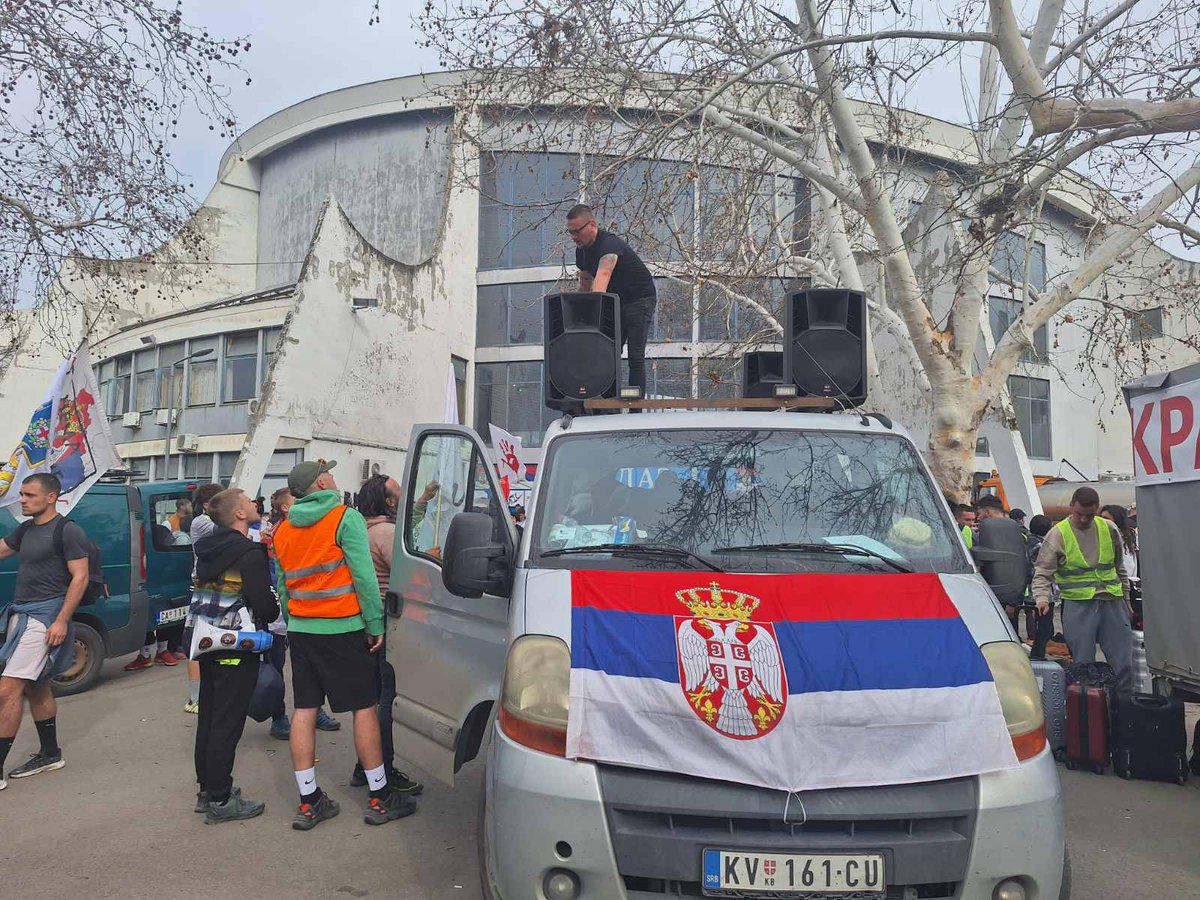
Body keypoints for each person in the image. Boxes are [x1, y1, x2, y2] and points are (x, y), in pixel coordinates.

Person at [273, 460, 417, 829]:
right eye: (331, 473)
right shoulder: (344, 518)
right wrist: (373, 625)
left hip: (303, 631)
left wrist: (296, 622)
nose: (335, 477)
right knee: (364, 708)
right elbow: (365, 580)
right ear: (321, 482)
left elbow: (285, 585)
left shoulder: (283, 530)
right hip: (343, 628)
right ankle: (381, 796)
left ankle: (309, 802)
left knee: (304, 710)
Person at [190, 488, 278, 823]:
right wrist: (273, 606)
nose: (255, 504)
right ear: (239, 514)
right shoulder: (248, 553)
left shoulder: (207, 548)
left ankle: (206, 789)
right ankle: (221, 799)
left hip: (208, 643)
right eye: (248, 502)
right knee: (228, 722)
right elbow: (264, 605)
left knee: (210, 717)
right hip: (237, 646)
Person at [0, 474, 90, 789]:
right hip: (22, 614)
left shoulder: (68, 531)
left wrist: (62, 620)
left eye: (28, 494)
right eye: (21, 494)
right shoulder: (26, 529)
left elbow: (80, 577)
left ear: (50, 497)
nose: (22, 499)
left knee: (7, 691)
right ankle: (50, 754)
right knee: (37, 687)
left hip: (45, 618)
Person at [349, 474, 423, 796]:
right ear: (390, 502)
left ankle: (363, 765)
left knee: (370, 698)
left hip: (363, 625)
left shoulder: (358, 531)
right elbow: (408, 575)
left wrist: (423, 503)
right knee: (385, 701)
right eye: (399, 492)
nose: (404, 496)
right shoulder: (388, 533)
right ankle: (383, 771)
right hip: (387, 624)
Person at [1032, 487, 1132, 694]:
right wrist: (1041, 598)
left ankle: (1123, 709)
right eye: (1079, 514)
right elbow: (1042, 572)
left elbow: (1119, 567)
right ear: (1071, 506)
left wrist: (1127, 600)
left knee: (1123, 663)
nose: (1084, 519)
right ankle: (1088, 711)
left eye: (1090, 515)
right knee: (1083, 666)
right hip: (1078, 605)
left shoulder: (1108, 528)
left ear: (1097, 509)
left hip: (1111, 601)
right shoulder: (1058, 534)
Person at [567, 203, 657, 399]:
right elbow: (584, 285)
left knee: (635, 355)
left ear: (591, 225)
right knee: (608, 354)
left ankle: (636, 409)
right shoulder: (581, 252)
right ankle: (607, 401)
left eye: (577, 232)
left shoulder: (609, 245)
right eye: (570, 232)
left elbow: (601, 281)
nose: (574, 237)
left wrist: (592, 318)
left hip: (639, 299)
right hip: (616, 302)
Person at [182, 483, 224, 714]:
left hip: (221, 587)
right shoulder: (201, 522)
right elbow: (225, 528)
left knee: (219, 641)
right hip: (205, 587)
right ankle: (195, 699)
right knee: (198, 644)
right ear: (208, 505)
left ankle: (213, 691)